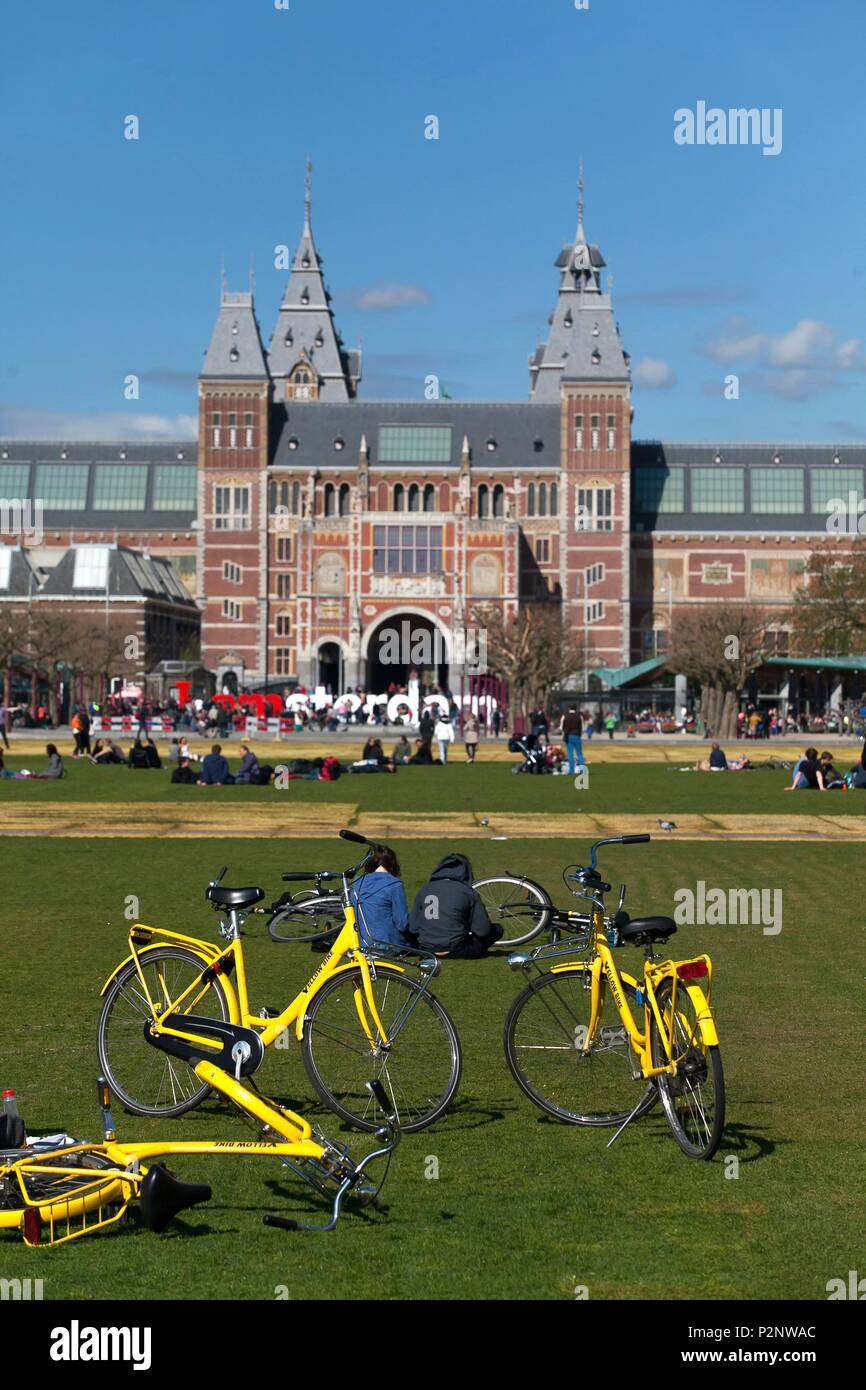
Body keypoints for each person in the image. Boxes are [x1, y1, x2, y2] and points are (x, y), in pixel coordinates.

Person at [409, 853, 503, 959]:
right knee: (497, 929)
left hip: (426, 949)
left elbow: (413, 927)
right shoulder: (467, 892)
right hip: (458, 949)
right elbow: (483, 930)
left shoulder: (425, 889)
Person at [349, 843, 411, 950]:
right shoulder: (395, 885)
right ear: (392, 863)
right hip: (388, 943)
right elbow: (402, 923)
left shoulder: (356, 883)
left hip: (360, 943)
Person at [560, 706, 584, 774]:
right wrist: (580, 734)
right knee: (579, 754)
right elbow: (583, 727)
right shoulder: (579, 716)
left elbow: (561, 727)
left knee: (570, 754)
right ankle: (582, 770)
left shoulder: (564, 716)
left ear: (569, 709)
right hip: (577, 736)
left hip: (568, 736)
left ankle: (571, 771)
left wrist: (563, 735)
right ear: (575, 709)